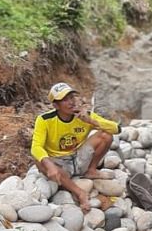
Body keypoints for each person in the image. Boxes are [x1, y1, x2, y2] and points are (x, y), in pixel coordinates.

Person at [30, 83, 119, 212]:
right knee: (39, 162)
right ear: (56, 105)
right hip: (60, 164)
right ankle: (80, 192)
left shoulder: (83, 116)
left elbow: (117, 129)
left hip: (79, 157)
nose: (71, 102)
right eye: (65, 100)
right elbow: (36, 147)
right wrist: (49, 165)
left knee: (106, 135)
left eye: (72, 97)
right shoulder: (44, 120)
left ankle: (91, 170)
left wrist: (91, 121)